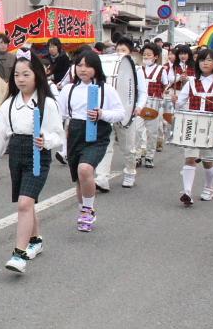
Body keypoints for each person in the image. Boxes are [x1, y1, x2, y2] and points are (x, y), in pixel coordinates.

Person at [0, 56, 64, 274]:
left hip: (39, 156)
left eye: (26, 74)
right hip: (16, 154)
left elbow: (58, 135)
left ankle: (19, 254)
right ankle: (35, 239)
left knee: (24, 203)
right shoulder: (9, 104)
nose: (20, 79)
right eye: (16, 75)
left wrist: (45, 141)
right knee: (27, 202)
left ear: (37, 75)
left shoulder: (48, 103)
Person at [57, 48, 125, 232]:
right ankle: (83, 211)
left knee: (85, 169)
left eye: (87, 66)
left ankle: (88, 209)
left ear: (96, 68)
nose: (83, 69)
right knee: (80, 178)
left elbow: (120, 113)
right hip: (75, 133)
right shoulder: (68, 90)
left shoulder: (106, 89)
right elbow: (60, 116)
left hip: (97, 134)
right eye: (79, 65)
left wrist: (102, 114)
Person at [173, 49, 213, 205]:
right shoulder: (192, 82)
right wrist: (175, 100)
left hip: (212, 126)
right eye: (201, 60)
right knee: (190, 157)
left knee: (207, 159)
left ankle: (208, 187)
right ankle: (186, 191)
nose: (205, 63)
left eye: (208, 60)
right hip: (192, 124)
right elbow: (180, 103)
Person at [95, 36, 147, 189]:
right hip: (108, 112)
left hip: (127, 112)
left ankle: (130, 171)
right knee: (105, 144)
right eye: (117, 50)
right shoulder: (107, 66)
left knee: (128, 148)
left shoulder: (136, 69)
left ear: (130, 53)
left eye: (123, 50)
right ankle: (102, 177)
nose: (119, 53)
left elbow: (143, 92)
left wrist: (138, 106)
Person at [138, 43, 172, 168]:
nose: (146, 56)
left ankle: (149, 156)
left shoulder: (161, 70)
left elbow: (165, 85)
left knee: (152, 132)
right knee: (137, 130)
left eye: (149, 54)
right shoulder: (138, 69)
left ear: (155, 57)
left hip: (154, 103)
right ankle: (138, 154)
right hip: (139, 104)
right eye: (144, 54)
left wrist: (162, 94)